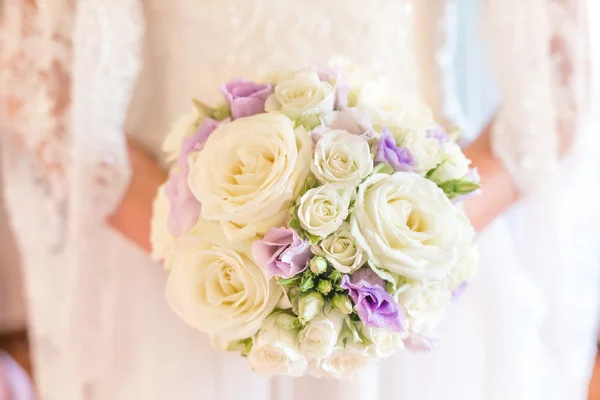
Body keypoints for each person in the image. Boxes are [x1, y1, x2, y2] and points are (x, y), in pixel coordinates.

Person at [1, 0, 599, 399]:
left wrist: (411, 251)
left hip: (417, 270)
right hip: (182, 275)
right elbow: (40, 84)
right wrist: (200, 248)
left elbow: (565, 76)